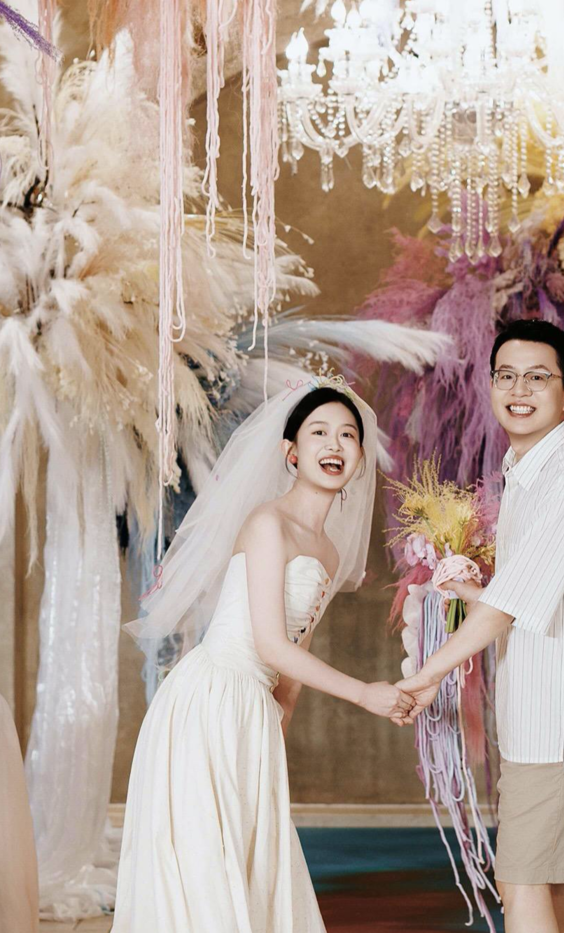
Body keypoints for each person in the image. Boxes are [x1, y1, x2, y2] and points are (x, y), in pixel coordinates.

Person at [114, 380, 411, 933]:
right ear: (290, 452)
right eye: (319, 432)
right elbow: (270, 644)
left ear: (360, 457)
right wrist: (364, 693)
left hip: (253, 710)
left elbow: (292, 657)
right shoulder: (267, 523)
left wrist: (276, 730)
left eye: (348, 435)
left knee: (252, 850)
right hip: (211, 696)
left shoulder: (329, 550)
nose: (335, 444)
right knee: (205, 859)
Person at [398, 319, 564, 933]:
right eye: (507, 375)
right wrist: (468, 586)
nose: (519, 389)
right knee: (553, 889)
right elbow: (525, 593)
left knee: (520, 885)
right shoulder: (528, 470)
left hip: (555, 725)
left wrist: (425, 678)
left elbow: (504, 611)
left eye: (538, 377)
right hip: (558, 718)